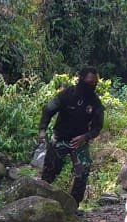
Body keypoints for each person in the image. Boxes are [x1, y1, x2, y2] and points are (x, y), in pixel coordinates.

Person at [38, 67, 105, 211]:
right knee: (49, 171)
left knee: (84, 169)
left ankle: (73, 207)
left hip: (79, 142)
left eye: (95, 83)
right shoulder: (66, 95)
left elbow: (97, 127)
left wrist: (85, 137)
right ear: (80, 79)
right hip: (60, 138)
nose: (92, 85)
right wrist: (43, 130)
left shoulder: (95, 102)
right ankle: (39, 204)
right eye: (89, 82)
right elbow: (48, 110)